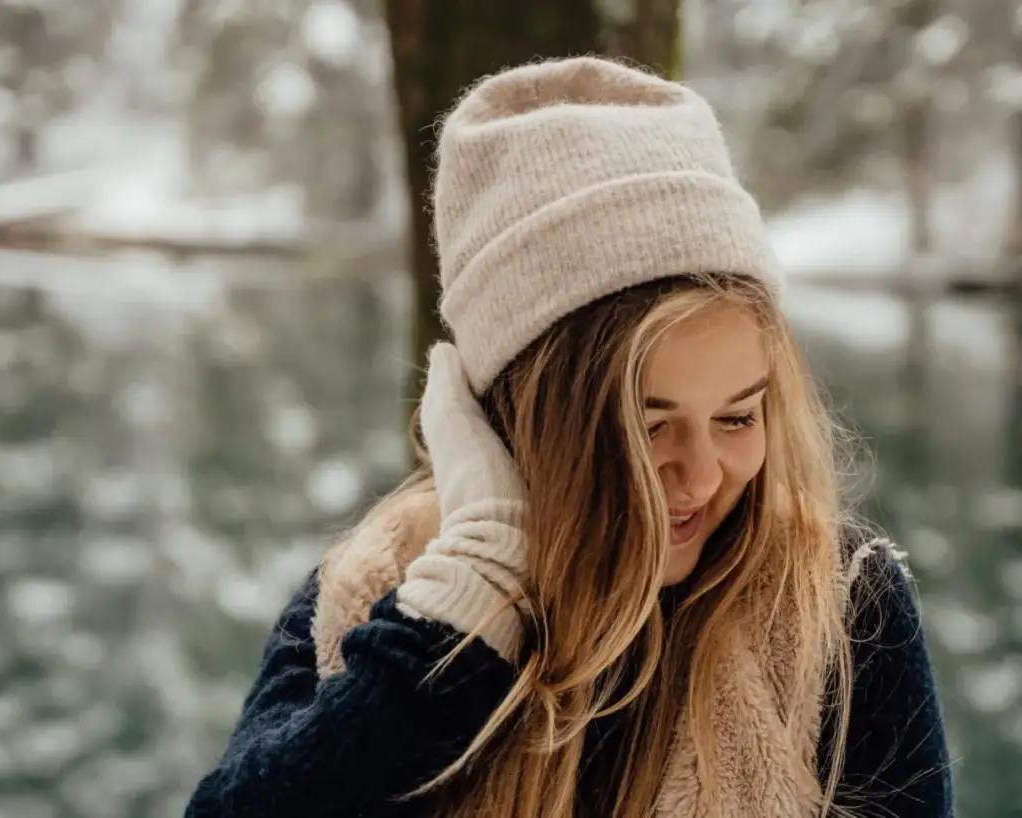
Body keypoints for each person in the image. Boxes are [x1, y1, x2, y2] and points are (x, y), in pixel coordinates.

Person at [184, 56, 953, 818]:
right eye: (646, 427)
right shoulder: (374, 593)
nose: (702, 475)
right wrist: (470, 604)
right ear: (520, 419)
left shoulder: (844, 615)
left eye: (738, 417)